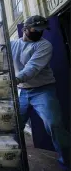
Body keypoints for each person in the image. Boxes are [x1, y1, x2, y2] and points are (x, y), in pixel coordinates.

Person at [11, 15, 70, 170]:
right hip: (21, 91)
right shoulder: (13, 44)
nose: (39, 32)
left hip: (43, 90)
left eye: (41, 30)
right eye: (35, 29)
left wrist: (14, 79)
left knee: (54, 124)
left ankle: (67, 162)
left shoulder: (44, 45)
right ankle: (12, 161)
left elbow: (33, 67)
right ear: (24, 29)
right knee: (13, 127)